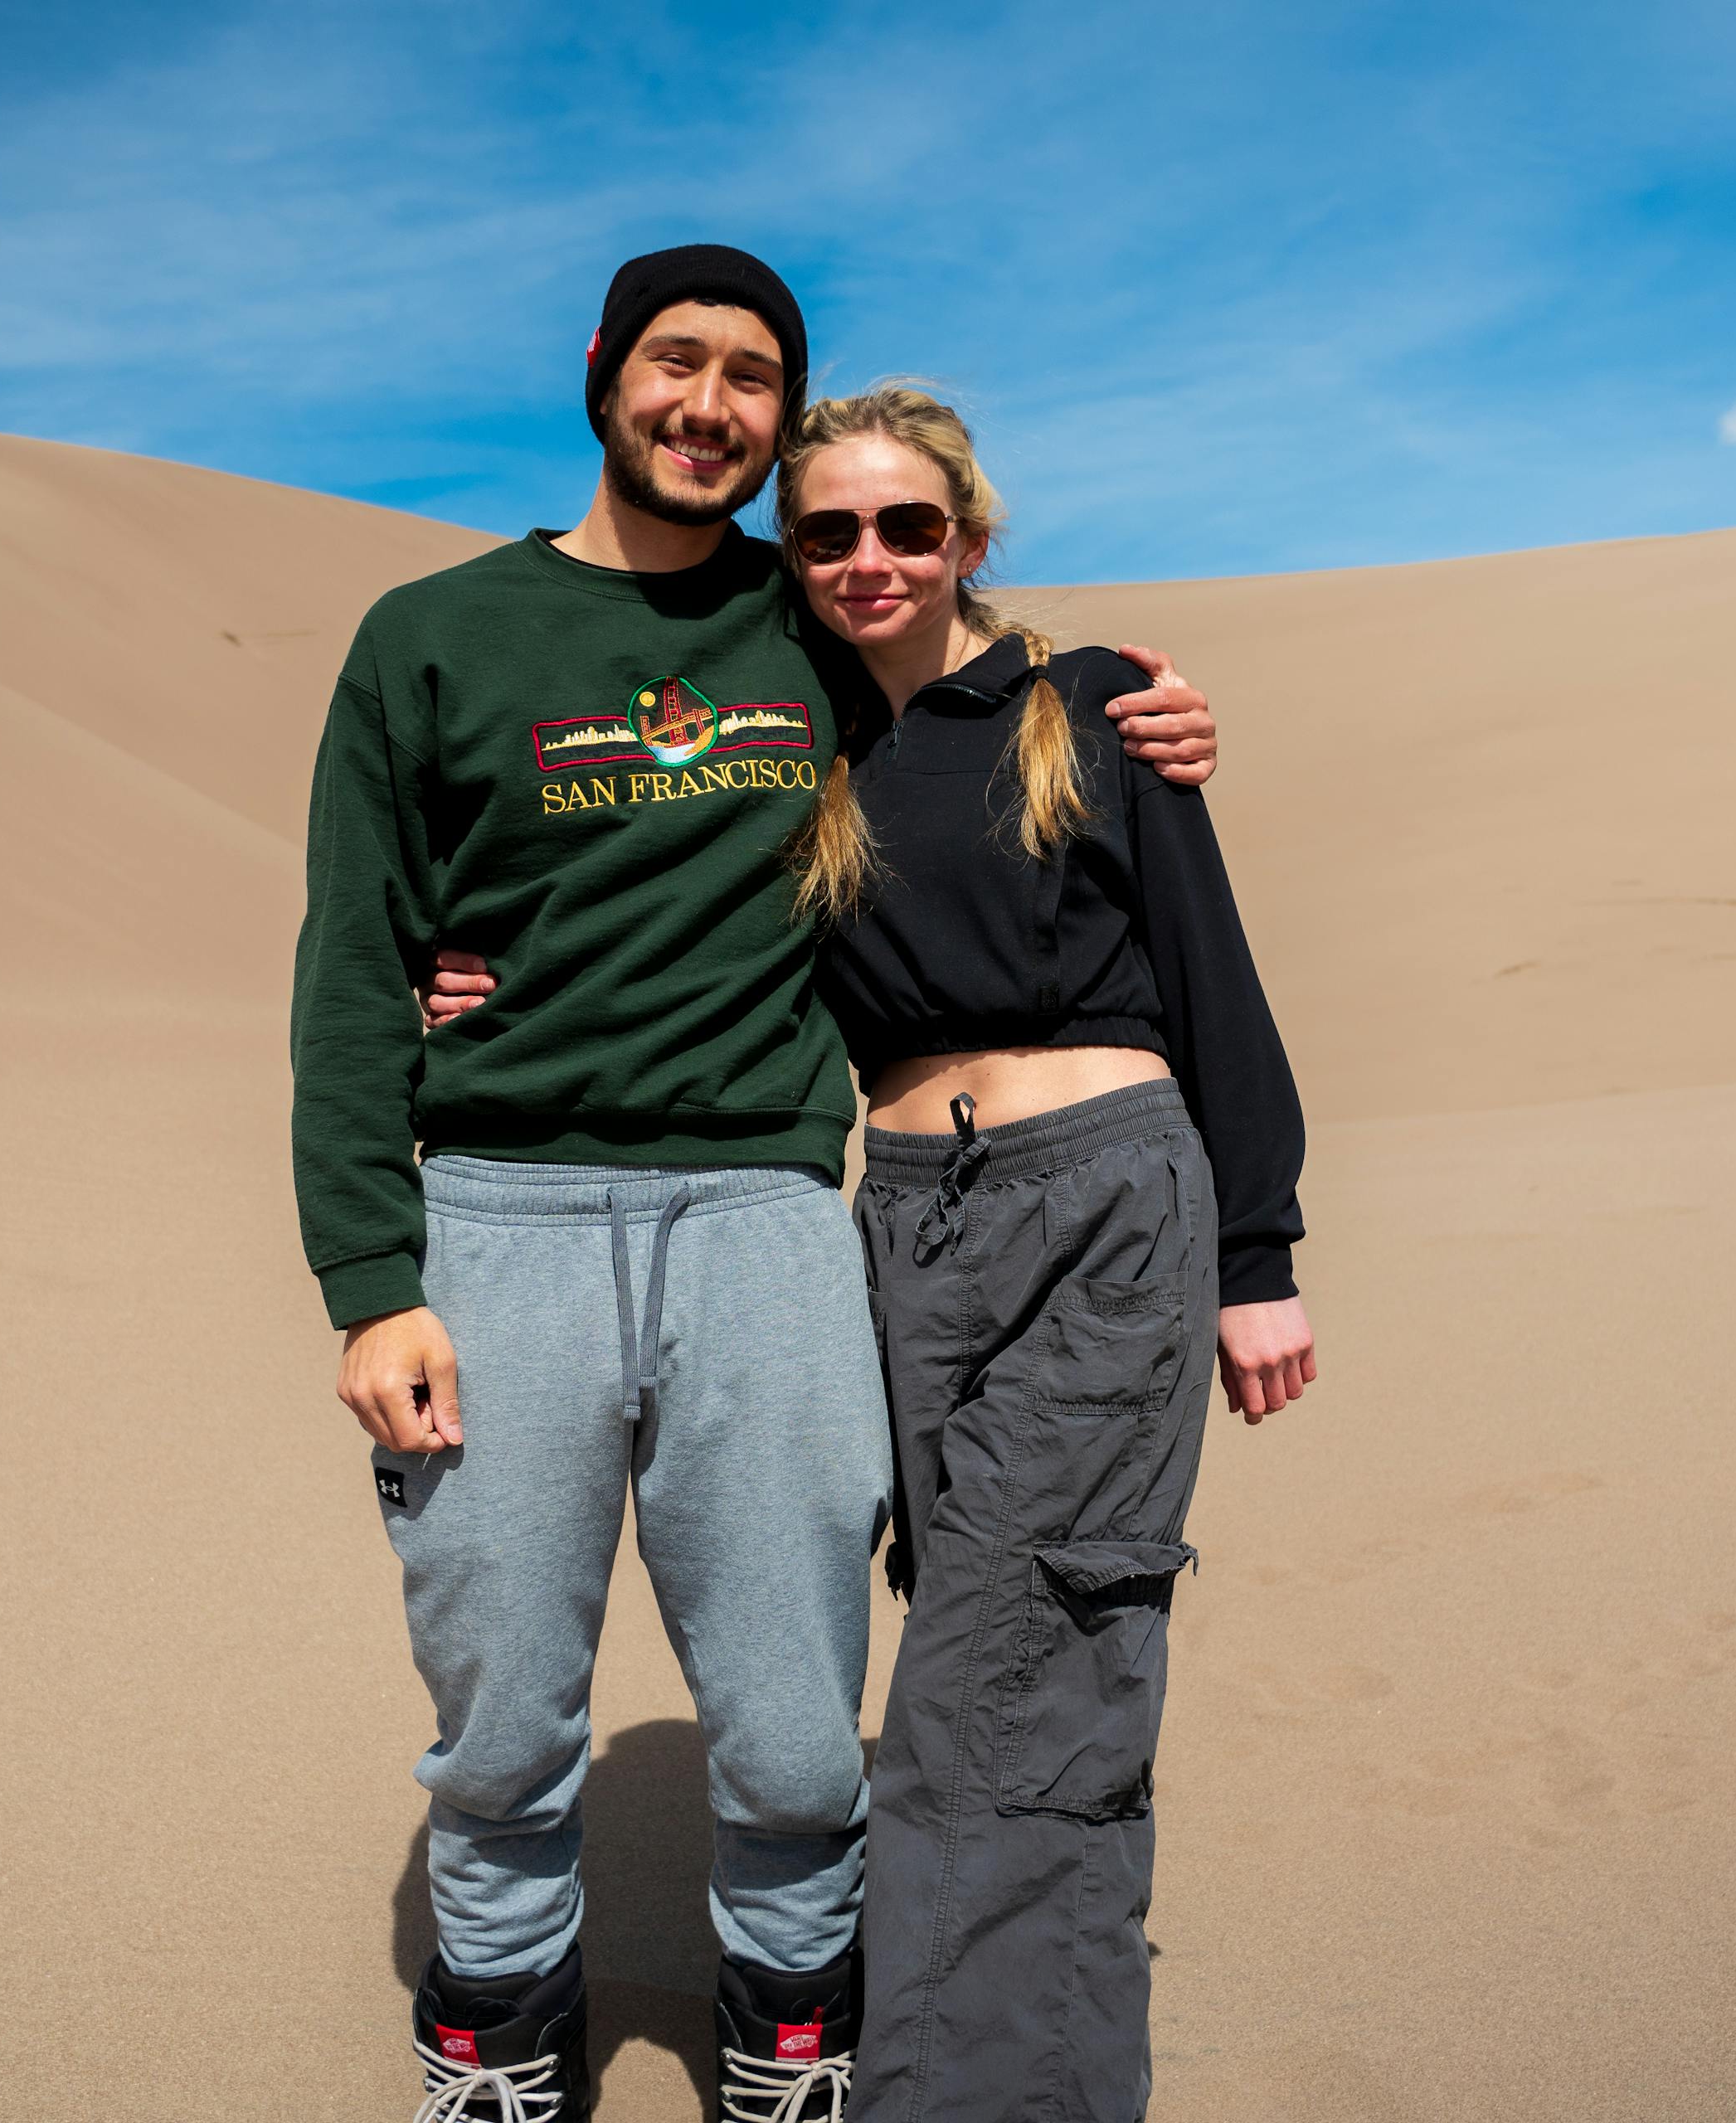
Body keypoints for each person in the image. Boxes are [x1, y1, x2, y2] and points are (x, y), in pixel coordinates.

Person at [290, 248, 1221, 2123]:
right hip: (501, 1218)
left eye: (746, 377)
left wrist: (1145, 711)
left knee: (802, 1729)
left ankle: (790, 2027)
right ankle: (495, 2030)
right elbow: (351, 958)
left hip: (772, 1224)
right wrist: (368, 1272)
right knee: (500, 1712)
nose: (706, 402)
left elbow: (971, 683)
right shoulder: (430, 632)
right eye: (676, 361)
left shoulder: (809, 618)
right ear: (603, 374)